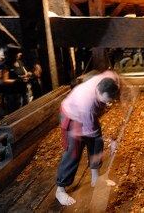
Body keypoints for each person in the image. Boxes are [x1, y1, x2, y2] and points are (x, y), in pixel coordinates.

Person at [55, 70, 120, 206]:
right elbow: (94, 133)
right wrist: (111, 141)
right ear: (98, 91)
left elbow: (113, 74)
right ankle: (60, 189)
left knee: (96, 145)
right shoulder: (87, 105)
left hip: (85, 113)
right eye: (105, 101)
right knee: (73, 152)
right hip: (72, 115)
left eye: (110, 102)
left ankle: (96, 178)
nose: (108, 105)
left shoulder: (109, 79)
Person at [0, 46, 31, 114]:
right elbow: (4, 81)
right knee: (16, 113)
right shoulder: (6, 65)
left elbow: (25, 73)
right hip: (13, 93)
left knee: (26, 111)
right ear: (13, 54)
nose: (20, 54)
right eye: (18, 52)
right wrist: (17, 80)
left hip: (23, 91)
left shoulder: (19, 62)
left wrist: (28, 74)